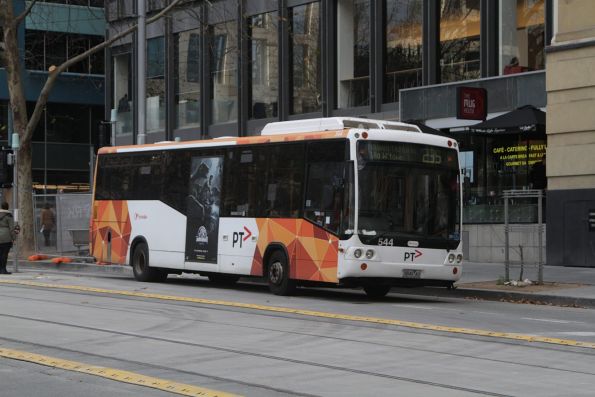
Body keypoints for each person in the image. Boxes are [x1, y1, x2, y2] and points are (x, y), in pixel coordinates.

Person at [0, 202, 16, 275]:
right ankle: (3, 270)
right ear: (7, 207)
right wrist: (14, 238)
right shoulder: (9, 216)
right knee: (4, 254)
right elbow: (12, 228)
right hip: (6, 237)